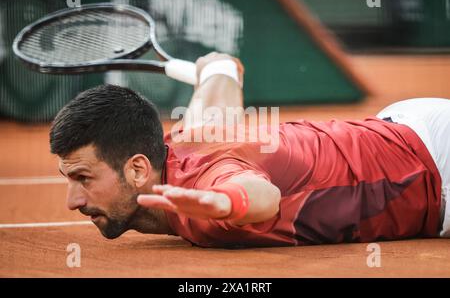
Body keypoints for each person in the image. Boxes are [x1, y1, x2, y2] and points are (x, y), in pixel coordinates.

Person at [50, 52, 450, 248]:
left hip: (436, 167)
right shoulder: (190, 134)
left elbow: (263, 197)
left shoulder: (209, 181)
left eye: (84, 177)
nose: (72, 201)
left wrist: (226, 203)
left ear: (138, 169)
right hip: (404, 129)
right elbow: (220, 83)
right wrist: (217, 68)